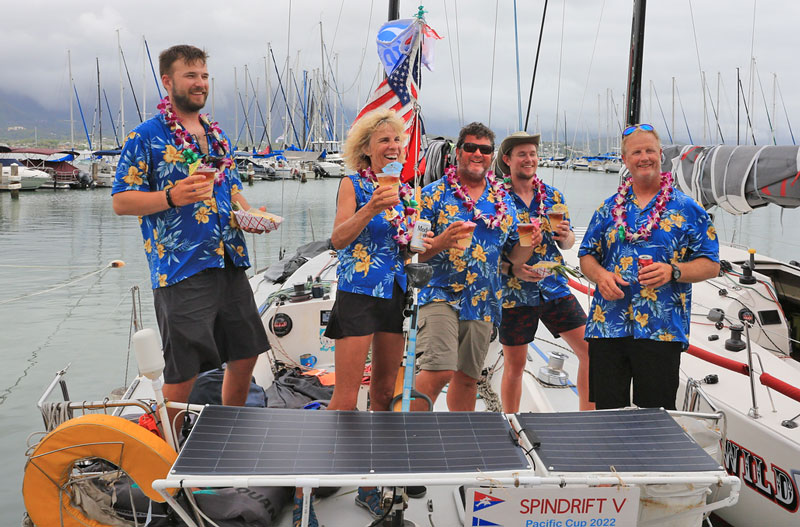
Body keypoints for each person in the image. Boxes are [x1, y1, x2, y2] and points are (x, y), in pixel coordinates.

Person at [111, 45, 269, 413]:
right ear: (168, 82)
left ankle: (231, 424)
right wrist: (171, 197)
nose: (200, 84)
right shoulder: (146, 136)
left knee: (246, 354)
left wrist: (250, 216)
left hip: (229, 260)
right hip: (181, 267)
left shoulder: (217, 137)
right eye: (190, 76)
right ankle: (171, 447)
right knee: (183, 372)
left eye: (204, 76)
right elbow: (121, 201)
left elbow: (231, 190)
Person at [320, 108, 431, 522]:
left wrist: (436, 241)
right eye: (384, 140)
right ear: (366, 148)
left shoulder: (409, 191)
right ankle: (316, 477)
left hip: (395, 295)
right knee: (346, 397)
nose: (392, 147)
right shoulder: (352, 184)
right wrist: (370, 208)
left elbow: (412, 246)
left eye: (397, 141)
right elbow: (338, 239)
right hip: (358, 293)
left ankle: (371, 485)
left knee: (385, 394)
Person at [578, 124, 720, 410]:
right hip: (609, 327)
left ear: (661, 155)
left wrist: (673, 271)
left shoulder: (688, 208)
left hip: (661, 329)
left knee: (655, 419)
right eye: (636, 152)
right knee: (608, 414)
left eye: (649, 151)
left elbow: (711, 264)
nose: (644, 157)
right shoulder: (608, 209)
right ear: (625, 160)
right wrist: (601, 275)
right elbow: (586, 256)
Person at [412, 122, 532, 412]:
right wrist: (441, 241)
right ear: (458, 152)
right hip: (440, 293)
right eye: (471, 147)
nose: (478, 153)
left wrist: (530, 241)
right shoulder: (430, 195)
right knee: (438, 369)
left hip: (483, 300)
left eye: (485, 149)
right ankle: (405, 435)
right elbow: (413, 254)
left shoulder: (505, 201)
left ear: (492, 156)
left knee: (467, 378)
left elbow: (515, 258)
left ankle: (460, 438)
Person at [497, 131, 594, 412]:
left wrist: (564, 236)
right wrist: (513, 268)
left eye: (532, 154)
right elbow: (489, 248)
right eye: (522, 154)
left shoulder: (552, 195)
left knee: (590, 351)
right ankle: (511, 424)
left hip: (554, 287)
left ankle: (587, 421)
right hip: (514, 292)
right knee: (515, 365)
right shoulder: (496, 197)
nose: (529, 159)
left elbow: (568, 241)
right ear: (508, 159)